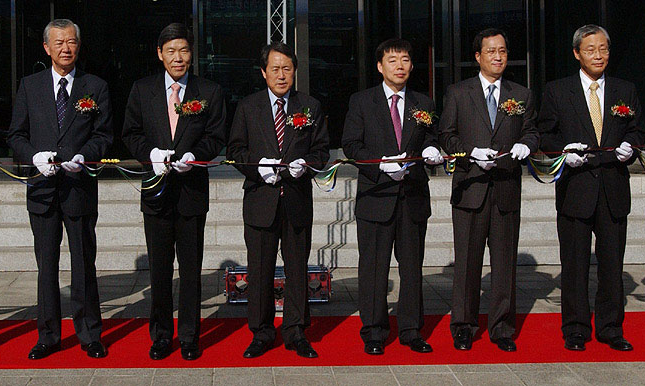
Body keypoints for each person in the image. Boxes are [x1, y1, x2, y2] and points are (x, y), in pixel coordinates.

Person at [7, 19, 113, 360]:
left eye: (71, 42)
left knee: (84, 264)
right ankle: (48, 335)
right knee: (47, 267)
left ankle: (89, 333)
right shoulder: (30, 85)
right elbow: (15, 136)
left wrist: (85, 156)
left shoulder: (94, 86)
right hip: (42, 190)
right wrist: (32, 157)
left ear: (78, 46)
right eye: (59, 43)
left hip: (78, 187)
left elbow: (105, 136)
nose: (65, 48)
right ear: (46, 48)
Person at [121, 23, 226, 361]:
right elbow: (131, 132)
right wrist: (149, 154)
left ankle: (190, 336)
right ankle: (161, 335)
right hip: (156, 193)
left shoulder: (208, 91)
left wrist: (197, 155)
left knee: (191, 270)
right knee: (160, 270)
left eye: (183, 50)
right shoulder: (142, 89)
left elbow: (216, 135)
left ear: (191, 53)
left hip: (191, 191)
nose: (178, 57)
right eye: (171, 51)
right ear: (159, 54)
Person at [538, 24, 642, 352]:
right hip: (575, 189)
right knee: (574, 264)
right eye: (591, 50)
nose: (598, 55)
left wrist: (630, 146)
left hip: (613, 188)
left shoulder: (625, 90)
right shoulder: (557, 91)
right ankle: (575, 328)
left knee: (612, 265)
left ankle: (611, 327)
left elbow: (638, 130)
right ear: (576, 53)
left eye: (603, 49)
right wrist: (564, 152)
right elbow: (544, 135)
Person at [438, 28, 538, 352]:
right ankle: (464, 325)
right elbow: (447, 136)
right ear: (478, 56)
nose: (498, 57)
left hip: (506, 189)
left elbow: (533, 132)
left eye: (503, 51)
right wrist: (470, 152)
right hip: (471, 189)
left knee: (504, 263)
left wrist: (526, 144)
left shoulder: (520, 95)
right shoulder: (458, 92)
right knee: (467, 263)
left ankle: (501, 327)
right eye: (491, 51)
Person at [227, 42, 330, 359]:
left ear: (295, 71)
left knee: (297, 269)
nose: (281, 75)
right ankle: (261, 332)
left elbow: (322, 152)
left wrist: (307, 166)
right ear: (263, 72)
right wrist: (258, 168)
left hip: (296, 199)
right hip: (261, 200)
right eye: (275, 68)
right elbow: (234, 152)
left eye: (287, 68)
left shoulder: (309, 106)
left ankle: (296, 331)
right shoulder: (248, 106)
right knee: (260, 270)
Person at [342, 39, 443, 355]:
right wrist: (380, 164)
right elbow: (351, 145)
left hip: (412, 196)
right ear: (380, 66)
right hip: (376, 196)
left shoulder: (423, 103)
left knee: (412, 267)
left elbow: (432, 138)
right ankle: (373, 330)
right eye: (393, 60)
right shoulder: (362, 102)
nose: (399, 66)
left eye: (405, 60)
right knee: (373, 267)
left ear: (412, 66)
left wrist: (431, 149)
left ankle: (412, 329)